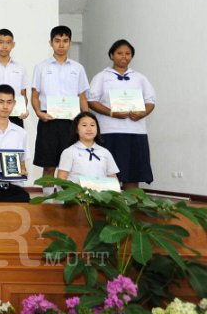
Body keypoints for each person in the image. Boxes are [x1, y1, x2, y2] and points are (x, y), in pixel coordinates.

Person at [87, 39, 155, 190]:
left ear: (132, 56)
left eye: (127, 53)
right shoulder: (101, 77)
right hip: (110, 132)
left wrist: (143, 113)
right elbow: (91, 101)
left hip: (136, 132)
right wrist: (112, 113)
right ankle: (110, 204)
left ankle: (131, 204)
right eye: (119, 53)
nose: (124, 56)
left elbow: (150, 101)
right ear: (112, 55)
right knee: (109, 175)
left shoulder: (140, 78)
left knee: (133, 173)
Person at [31, 25, 89, 191]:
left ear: (70, 42)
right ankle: (48, 201)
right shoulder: (41, 67)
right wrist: (39, 113)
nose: (61, 45)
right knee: (48, 165)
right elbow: (34, 95)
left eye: (65, 41)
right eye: (57, 41)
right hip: (48, 121)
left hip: (71, 123)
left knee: (70, 166)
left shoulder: (78, 68)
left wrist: (86, 119)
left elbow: (82, 96)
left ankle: (66, 200)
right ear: (51, 43)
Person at [0, 29, 29, 127]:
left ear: (13, 45)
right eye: (1, 42)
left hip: (16, 116)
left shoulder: (20, 68)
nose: (4, 46)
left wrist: (24, 108)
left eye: (8, 42)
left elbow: (23, 94)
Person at [57, 112, 119, 184]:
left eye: (92, 125)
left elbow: (113, 178)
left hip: (101, 191)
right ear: (76, 129)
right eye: (84, 125)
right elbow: (62, 179)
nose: (89, 129)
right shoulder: (69, 152)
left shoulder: (105, 152)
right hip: (77, 191)